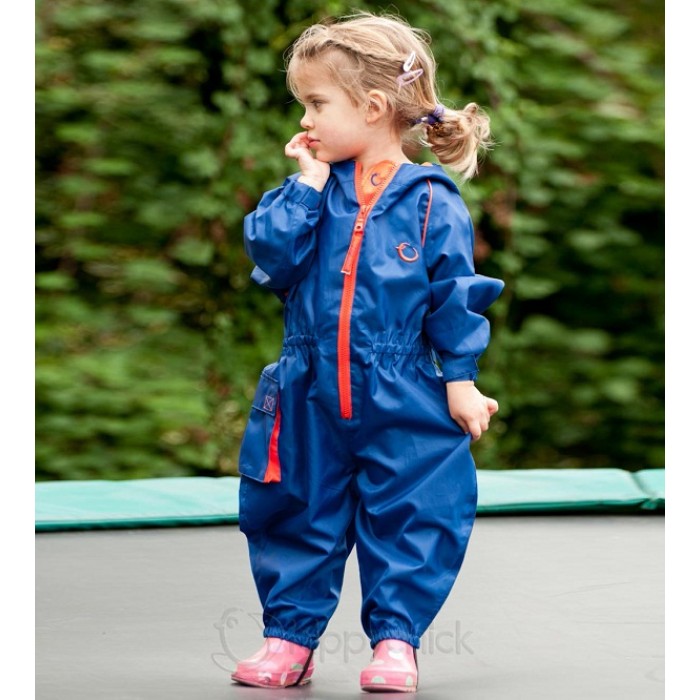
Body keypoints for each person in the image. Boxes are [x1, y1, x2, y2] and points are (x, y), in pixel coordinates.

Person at [232, 11, 504, 693]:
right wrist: (305, 186)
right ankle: (288, 639)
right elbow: (271, 257)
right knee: (293, 506)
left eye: (316, 103)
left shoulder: (430, 199)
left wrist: (460, 379)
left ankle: (395, 642)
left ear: (374, 107)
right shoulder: (307, 193)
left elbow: (453, 293)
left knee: (416, 509)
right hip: (307, 385)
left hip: (400, 384)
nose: (306, 121)